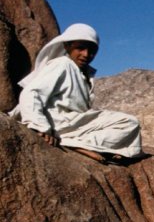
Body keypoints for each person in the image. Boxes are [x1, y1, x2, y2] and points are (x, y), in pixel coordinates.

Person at [8, 23, 142, 162]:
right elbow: (31, 92)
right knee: (128, 122)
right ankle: (77, 144)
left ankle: (82, 144)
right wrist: (40, 126)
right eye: (80, 48)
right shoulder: (62, 64)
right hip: (56, 122)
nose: (86, 54)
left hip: (73, 122)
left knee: (129, 123)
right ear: (67, 46)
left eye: (91, 51)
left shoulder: (84, 72)